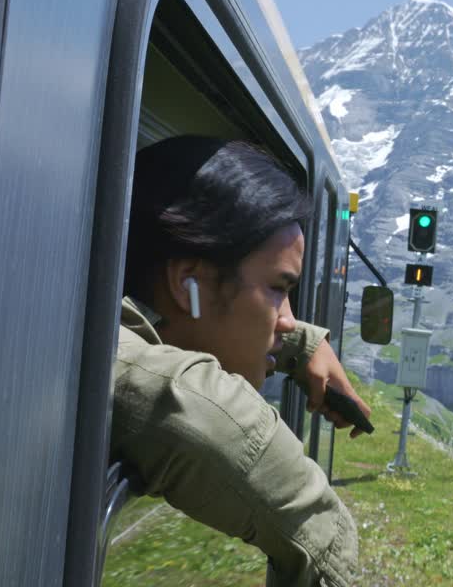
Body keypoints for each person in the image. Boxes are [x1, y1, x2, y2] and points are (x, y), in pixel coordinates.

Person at [110, 136, 369, 586]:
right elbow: (207, 413)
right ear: (187, 282)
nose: (289, 320)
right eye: (279, 288)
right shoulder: (139, 378)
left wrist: (303, 346)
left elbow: (219, 317)